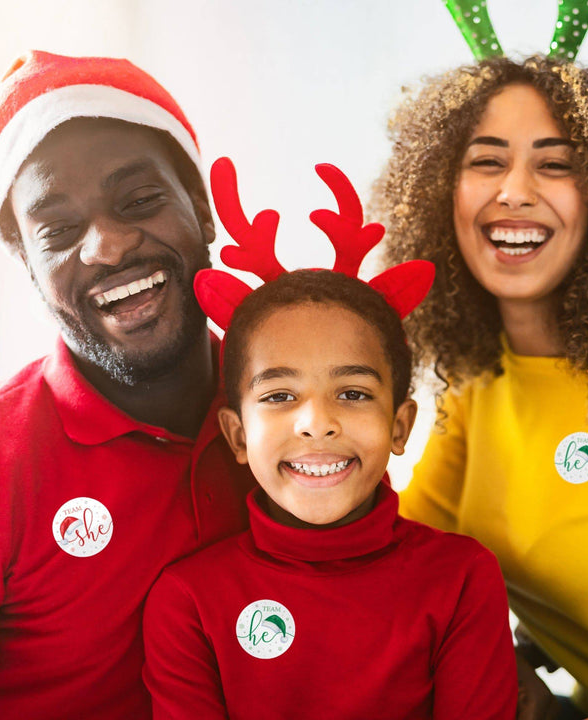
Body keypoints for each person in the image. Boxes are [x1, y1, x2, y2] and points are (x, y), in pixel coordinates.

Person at [142, 158, 517, 720]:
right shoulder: (189, 601)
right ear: (237, 436)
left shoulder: (462, 578)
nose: (316, 422)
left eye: (353, 393)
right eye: (279, 396)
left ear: (399, 426)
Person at [0, 51, 254, 719]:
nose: (108, 247)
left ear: (202, 210)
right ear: (26, 262)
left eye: (140, 200)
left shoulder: (295, 410)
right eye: (58, 231)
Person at [370, 55, 588, 719]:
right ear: (439, 192)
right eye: (486, 161)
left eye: (555, 163)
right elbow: (395, 566)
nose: (514, 190)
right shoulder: (478, 386)